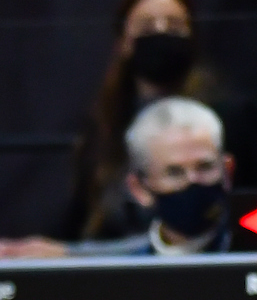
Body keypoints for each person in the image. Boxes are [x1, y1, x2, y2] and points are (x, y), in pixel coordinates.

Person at [59, 0, 257, 242]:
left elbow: (255, 210)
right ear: (123, 42)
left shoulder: (232, 118)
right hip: (114, 257)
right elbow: (81, 218)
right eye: (147, 27)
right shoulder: (104, 122)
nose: (161, 33)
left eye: (174, 25)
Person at [79, 97, 238, 256]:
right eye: (174, 172)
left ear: (227, 170)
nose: (192, 180)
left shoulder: (250, 253)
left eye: (205, 167)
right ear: (138, 188)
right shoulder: (124, 264)